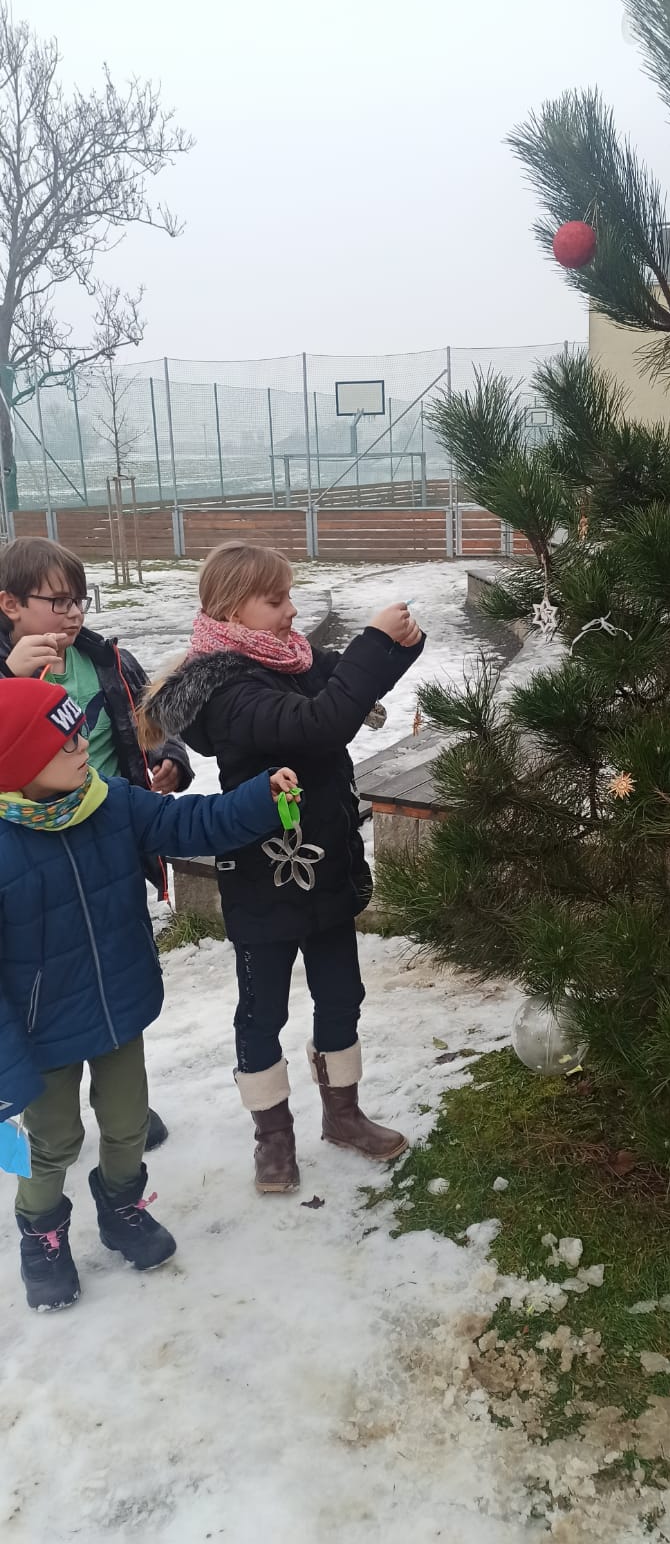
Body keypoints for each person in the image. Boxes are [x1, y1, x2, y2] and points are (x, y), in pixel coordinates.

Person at [0, 676, 298, 1312]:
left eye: (81, 732)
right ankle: (41, 1235)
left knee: (128, 1122)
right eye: (64, 741)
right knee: (51, 1142)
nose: (84, 745)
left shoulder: (109, 801)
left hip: (118, 1004)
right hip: (39, 1033)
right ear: (21, 761)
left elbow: (189, 822)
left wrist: (258, 798)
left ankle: (122, 1209)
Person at [140, 541, 425, 1195]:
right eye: (276, 600)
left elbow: (349, 687)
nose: (292, 611)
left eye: (291, 596)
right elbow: (323, 723)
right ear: (230, 610)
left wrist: (400, 644)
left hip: (326, 865)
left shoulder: (290, 659)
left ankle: (343, 1115)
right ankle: (272, 1138)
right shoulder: (228, 690)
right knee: (261, 1011)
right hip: (261, 880)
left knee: (342, 996)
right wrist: (373, 644)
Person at [0, 538, 195, 1152]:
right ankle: (50, 1115)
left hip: (110, 844)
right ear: (10, 604)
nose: (73, 613)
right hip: (29, 864)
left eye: (80, 599)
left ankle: (122, 1102)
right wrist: (9, 678)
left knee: (114, 968)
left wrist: (170, 761)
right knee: (46, 987)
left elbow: (150, 725)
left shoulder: (105, 658)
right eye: (57, 601)